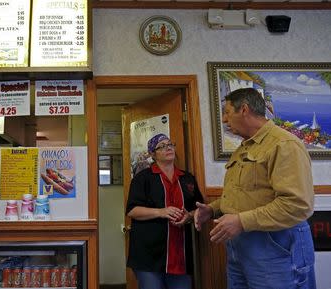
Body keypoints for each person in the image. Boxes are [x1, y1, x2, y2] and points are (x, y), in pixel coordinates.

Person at [194, 88, 316, 289]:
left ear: (244, 109)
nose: (224, 119)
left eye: (227, 112)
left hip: (275, 249)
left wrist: (241, 221)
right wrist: (213, 209)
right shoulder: (246, 146)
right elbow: (247, 191)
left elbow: (297, 205)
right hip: (240, 248)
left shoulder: (283, 144)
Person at [126, 133, 204, 289]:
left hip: (181, 256)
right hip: (148, 256)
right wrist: (161, 212)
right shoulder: (143, 178)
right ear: (152, 154)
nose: (168, 148)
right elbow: (132, 210)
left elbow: (200, 208)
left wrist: (189, 216)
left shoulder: (187, 178)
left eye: (170, 144)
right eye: (162, 146)